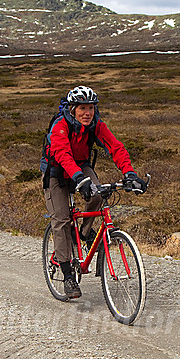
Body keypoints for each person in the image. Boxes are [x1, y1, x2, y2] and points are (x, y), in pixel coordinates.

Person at [42, 85, 147, 299]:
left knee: (98, 193)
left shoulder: (96, 124)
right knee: (61, 220)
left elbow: (115, 146)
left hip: (80, 164)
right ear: (72, 109)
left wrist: (130, 173)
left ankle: (85, 232)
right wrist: (80, 179)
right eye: (82, 108)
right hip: (56, 172)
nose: (87, 113)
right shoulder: (60, 125)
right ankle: (68, 274)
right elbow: (61, 154)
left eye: (90, 107)